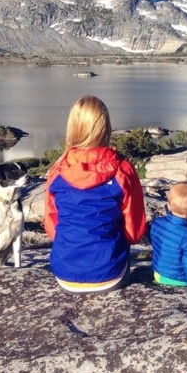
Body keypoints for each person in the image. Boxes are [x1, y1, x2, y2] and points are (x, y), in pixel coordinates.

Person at [44, 95, 147, 294]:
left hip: (65, 274)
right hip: (110, 274)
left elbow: (52, 228)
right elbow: (133, 231)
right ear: (105, 127)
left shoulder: (57, 171)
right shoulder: (122, 170)